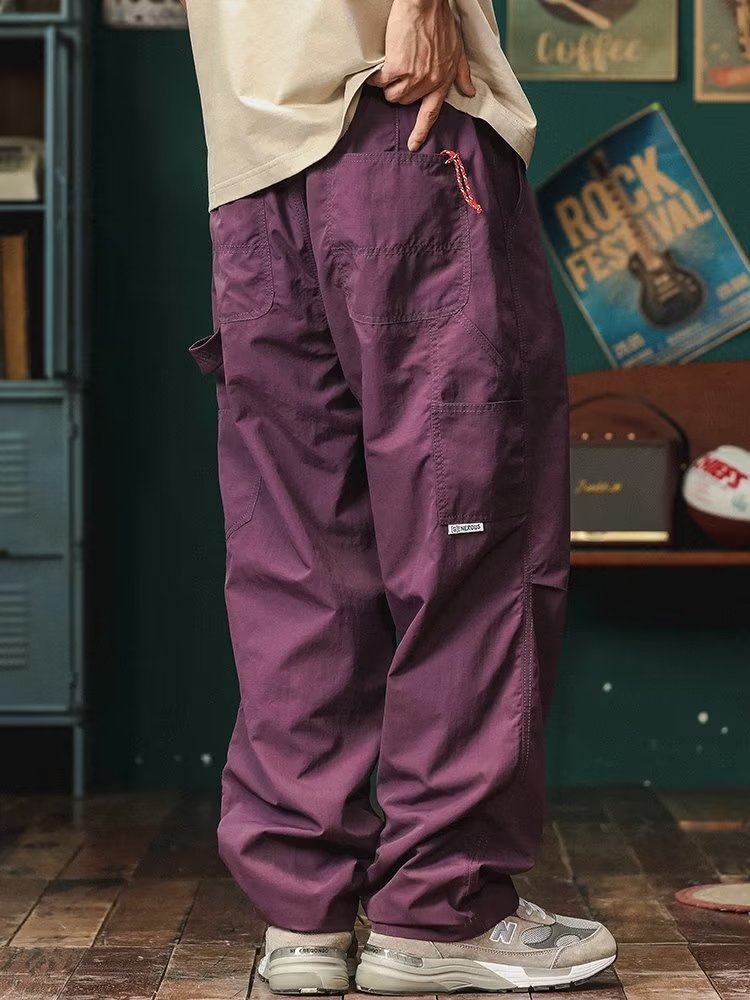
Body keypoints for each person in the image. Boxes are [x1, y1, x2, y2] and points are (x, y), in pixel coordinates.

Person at [182, 0, 617, 993]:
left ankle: (304, 921)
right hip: (399, 119)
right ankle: (440, 911)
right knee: (470, 543)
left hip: (251, 162)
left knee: (299, 559)